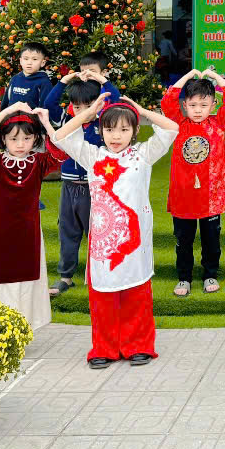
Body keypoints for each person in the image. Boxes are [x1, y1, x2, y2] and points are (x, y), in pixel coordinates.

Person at [52, 94, 179, 368]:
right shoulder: (92, 156)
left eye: (124, 129)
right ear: (101, 131)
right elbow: (59, 136)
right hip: (104, 245)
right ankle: (104, 347)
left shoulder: (143, 155)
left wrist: (143, 110)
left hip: (135, 241)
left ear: (135, 130)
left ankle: (138, 345)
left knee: (137, 293)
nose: (116, 136)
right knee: (103, 296)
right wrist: (87, 115)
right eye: (109, 129)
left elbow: (172, 128)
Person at [0, 103, 67, 330]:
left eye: (27, 138)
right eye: (13, 139)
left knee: (26, 279)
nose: (21, 144)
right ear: (3, 139)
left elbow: (61, 152)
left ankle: (24, 327)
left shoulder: (39, 163)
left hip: (28, 233)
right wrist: (6, 111)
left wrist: (46, 123)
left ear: (35, 139)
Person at [43, 66, 119, 298]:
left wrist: (100, 79)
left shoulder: (104, 122)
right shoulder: (68, 121)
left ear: (98, 104)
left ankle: (100, 275)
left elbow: (115, 99)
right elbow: (49, 104)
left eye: (88, 106)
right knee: (67, 231)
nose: (83, 112)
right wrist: (63, 82)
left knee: (97, 233)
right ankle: (65, 276)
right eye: (77, 107)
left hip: (94, 188)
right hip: (69, 186)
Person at [162, 69, 225, 296]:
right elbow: (167, 102)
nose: (198, 110)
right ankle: (184, 277)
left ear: (213, 105)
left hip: (211, 197)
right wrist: (188, 76)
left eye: (204, 105)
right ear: (184, 105)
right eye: (193, 105)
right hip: (183, 196)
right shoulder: (178, 123)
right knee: (183, 241)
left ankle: (210, 274)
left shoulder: (218, 123)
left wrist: (216, 78)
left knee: (211, 240)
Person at [0, 41, 56, 110]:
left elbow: (46, 108)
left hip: (31, 116)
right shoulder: (15, 79)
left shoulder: (44, 82)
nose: (29, 62)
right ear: (21, 61)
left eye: (34, 59)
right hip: (11, 116)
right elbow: (5, 102)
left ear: (42, 63)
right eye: (26, 59)